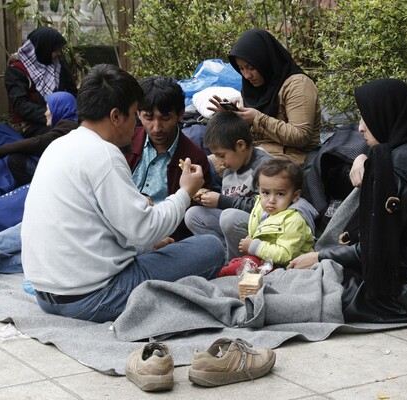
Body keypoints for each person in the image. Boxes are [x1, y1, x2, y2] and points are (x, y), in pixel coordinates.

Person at [21, 64, 225, 323]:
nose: (142, 125)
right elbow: (145, 229)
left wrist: (145, 242)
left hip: (46, 295)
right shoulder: (105, 154)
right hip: (92, 298)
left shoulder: (59, 146)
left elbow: (107, 225)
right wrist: (186, 191)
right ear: (116, 116)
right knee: (210, 247)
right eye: (136, 115)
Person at [287, 78, 407, 324]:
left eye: (366, 118)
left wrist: (321, 256)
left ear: (387, 117)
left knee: (307, 295)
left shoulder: (392, 168)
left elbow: (377, 251)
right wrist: (364, 158)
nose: (360, 128)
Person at [210, 29, 321, 165]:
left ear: (264, 60)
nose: (246, 75)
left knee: (251, 175)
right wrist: (231, 119)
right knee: (203, 167)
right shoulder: (253, 87)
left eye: (250, 67)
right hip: (255, 152)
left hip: (290, 158)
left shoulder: (297, 85)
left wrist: (258, 119)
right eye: (241, 68)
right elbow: (244, 139)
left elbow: (300, 136)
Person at [125, 76, 212, 241]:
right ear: (138, 113)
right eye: (148, 118)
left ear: (180, 114)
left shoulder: (194, 159)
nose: (156, 128)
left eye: (165, 118)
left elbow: (193, 219)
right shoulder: (125, 142)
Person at [184, 111, 272, 261]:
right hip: (236, 227)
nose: (219, 161)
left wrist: (220, 201)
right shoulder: (230, 169)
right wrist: (206, 197)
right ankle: (223, 258)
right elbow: (229, 199)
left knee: (229, 217)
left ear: (240, 145)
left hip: (262, 230)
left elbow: (267, 206)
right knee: (193, 215)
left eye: (221, 155)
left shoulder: (265, 166)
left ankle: (238, 263)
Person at [217, 158, 316, 276]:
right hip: (264, 256)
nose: (271, 200)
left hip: (286, 267)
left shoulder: (294, 220)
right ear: (259, 190)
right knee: (243, 264)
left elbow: (285, 255)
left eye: (280, 194)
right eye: (266, 193)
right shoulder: (260, 204)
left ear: (295, 195)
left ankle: (225, 274)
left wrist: (254, 246)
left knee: (240, 268)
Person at [0, 91, 78, 187]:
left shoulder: (67, 128)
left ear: (58, 109)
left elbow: (37, 143)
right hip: (66, 176)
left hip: (64, 181)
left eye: (48, 109)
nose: (45, 113)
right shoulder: (71, 124)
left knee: (16, 160)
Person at [4, 27, 77, 138]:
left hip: (57, 118)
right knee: (61, 136)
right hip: (28, 124)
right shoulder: (17, 70)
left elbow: (72, 91)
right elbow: (20, 105)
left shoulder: (57, 65)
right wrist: (51, 114)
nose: (59, 53)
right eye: (55, 50)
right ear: (43, 48)